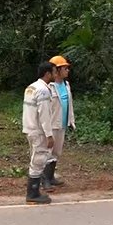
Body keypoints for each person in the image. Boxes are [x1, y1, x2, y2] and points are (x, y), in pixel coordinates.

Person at [22, 62, 56, 205]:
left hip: (29, 128)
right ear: (47, 74)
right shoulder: (43, 90)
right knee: (39, 160)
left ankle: (33, 192)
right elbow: (44, 115)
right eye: (54, 72)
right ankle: (33, 193)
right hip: (39, 130)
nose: (55, 75)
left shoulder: (31, 87)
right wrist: (49, 135)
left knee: (34, 158)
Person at [43, 55, 76, 192]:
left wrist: (71, 121)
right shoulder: (48, 87)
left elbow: (69, 105)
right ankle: (44, 180)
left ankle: (51, 177)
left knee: (57, 152)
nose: (67, 70)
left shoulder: (66, 85)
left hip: (61, 124)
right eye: (65, 68)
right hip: (51, 125)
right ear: (56, 70)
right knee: (47, 153)